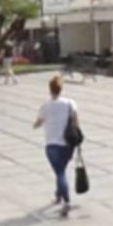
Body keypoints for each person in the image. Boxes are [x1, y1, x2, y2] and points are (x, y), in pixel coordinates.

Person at [34, 75, 78, 217]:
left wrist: (35, 125)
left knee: (60, 173)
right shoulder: (70, 103)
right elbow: (76, 124)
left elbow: (38, 122)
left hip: (52, 145)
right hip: (68, 145)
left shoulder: (45, 105)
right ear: (61, 88)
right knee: (61, 170)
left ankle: (66, 201)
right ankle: (58, 195)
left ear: (50, 89)